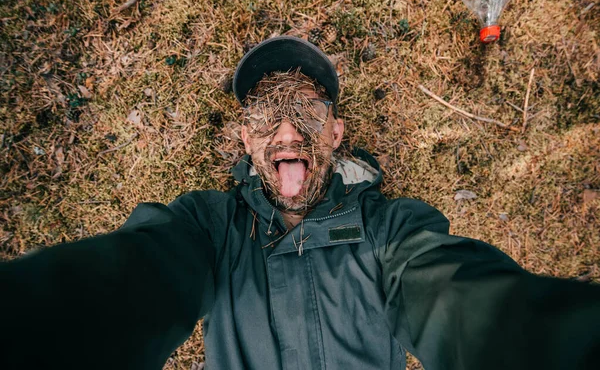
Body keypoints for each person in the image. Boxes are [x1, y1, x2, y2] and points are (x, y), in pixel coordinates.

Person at [0, 36, 599, 370]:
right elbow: (129, 283)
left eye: (308, 111)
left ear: (336, 134)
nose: (287, 131)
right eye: (264, 115)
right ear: (246, 141)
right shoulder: (210, 230)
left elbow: (457, 297)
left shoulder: (389, 229)